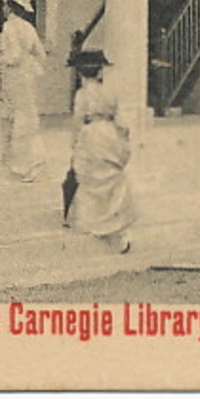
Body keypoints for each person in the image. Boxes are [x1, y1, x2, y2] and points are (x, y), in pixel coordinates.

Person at [66, 49, 134, 254]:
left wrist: (75, 143)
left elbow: (78, 120)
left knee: (91, 179)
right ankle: (118, 230)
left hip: (92, 134)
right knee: (112, 179)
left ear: (79, 73)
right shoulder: (109, 92)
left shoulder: (82, 95)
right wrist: (122, 140)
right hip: (110, 133)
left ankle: (97, 226)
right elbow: (120, 119)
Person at [0, 0, 46, 182]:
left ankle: (26, 163)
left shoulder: (9, 27)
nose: (2, 9)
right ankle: (31, 160)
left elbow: (13, 55)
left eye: (4, 5)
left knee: (18, 118)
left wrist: (1, 61)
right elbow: (40, 53)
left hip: (15, 76)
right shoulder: (28, 28)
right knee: (26, 117)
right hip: (28, 75)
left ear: (9, 6)